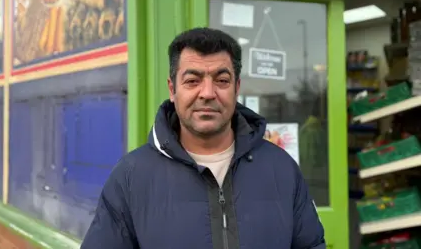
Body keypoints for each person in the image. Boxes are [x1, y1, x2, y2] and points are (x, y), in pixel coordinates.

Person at [81, 27, 326, 249]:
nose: (207, 93)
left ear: (236, 88)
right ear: (172, 90)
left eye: (221, 80)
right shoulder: (131, 177)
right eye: (192, 81)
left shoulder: (281, 169)